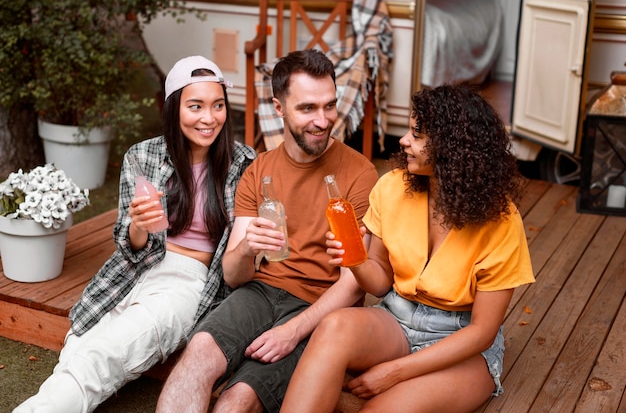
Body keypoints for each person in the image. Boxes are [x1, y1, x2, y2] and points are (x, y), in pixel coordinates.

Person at [13, 56, 256, 413]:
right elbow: (132, 249)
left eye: (218, 105)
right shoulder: (143, 156)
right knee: (77, 348)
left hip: (189, 283)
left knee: (102, 357)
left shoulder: (242, 163)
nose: (209, 118)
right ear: (174, 108)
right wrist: (139, 226)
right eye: (195, 106)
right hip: (135, 271)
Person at [281, 84, 536, 413]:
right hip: (396, 319)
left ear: (451, 147)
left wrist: (393, 372)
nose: (404, 141)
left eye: (417, 134)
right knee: (334, 326)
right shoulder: (392, 188)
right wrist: (355, 260)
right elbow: (381, 281)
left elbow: (481, 331)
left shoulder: (501, 221)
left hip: (461, 343)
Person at [156, 49, 380, 413]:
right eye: (307, 108)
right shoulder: (259, 170)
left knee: (239, 397)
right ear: (279, 108)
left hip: (319, 307)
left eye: (329, 106)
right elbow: (233, 275)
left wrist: (293, 331)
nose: (322, 120)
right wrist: (245, 249)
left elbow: (352, 282)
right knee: (198, 354)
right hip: (259, 292)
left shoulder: (360, 174)